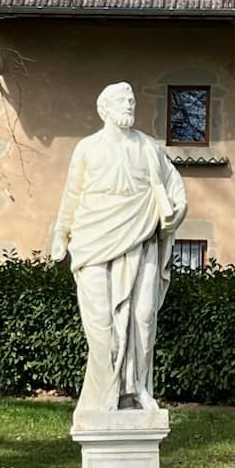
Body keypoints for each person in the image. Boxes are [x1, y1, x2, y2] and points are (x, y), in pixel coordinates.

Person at [51, 82, 187, 414]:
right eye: (122, 101)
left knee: (143, 317)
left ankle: (137, 389)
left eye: (132, 101)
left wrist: (177, 211)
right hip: (93, 239)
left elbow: (174, 187)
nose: (129, 105)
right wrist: (61, 234)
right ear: (105, 109)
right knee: (101, 327)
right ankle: (105, 394)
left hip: (141, 236)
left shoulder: (148, 147)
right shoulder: (87, 148)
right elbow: (72, 194)